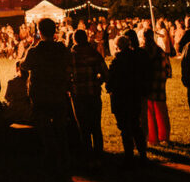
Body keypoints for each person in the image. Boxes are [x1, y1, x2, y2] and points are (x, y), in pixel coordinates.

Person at [20, 18, 74, 182]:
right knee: (61, 134)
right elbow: (69, 62)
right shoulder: (61, 49)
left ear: (39, 31)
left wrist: (20, 61)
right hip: (58, 94)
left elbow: (25, 65)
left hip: (41, 97)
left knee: (46, 137)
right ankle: (65, 171)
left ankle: (52, 173)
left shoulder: (35, 50)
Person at [106, 35, 148, 166]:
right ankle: (142, 154)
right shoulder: (136, 59)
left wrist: (109, 86)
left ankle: (129, 155)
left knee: (125, 128)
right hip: (134, 95)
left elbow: (110, 81)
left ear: (117, 47)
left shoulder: (117, 62)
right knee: (136, 125)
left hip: (120, 98)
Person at [70, 29, 108, 166]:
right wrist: (98, 81)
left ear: (74, 40)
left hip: (78, 94)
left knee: (83, 126)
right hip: (93, 93)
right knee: (96, 125)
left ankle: (87, 154)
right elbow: (105, 73)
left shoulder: (71, 56)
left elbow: (65, 74)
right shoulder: (94, 54)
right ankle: (99, 154)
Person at [141, 28, 171, 147]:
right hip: (159, 84)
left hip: (147, 85)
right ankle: (164, 136)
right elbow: (167, 68)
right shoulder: (159, 50)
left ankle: (152, 138)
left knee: (149, 112)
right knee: (161, 111)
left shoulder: (142, 51)